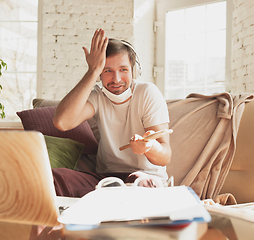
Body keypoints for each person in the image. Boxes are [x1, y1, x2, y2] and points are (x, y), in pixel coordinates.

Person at [51, 28, 172, 198]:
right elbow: (62, 122)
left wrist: (149, 146)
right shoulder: (97, 97)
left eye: (123, 69)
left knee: (138, 182)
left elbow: (165, 157)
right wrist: (92, 71)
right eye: (107, 70)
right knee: (55, 178)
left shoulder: (147, 93)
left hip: (144, 177)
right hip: (106, 180)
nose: (116, 79)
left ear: (134, 70)